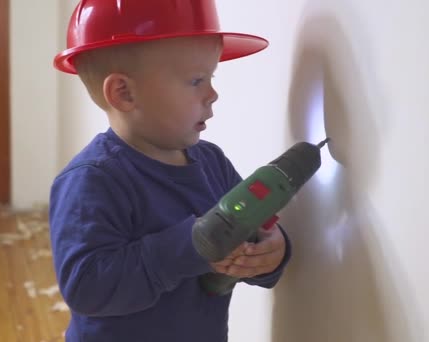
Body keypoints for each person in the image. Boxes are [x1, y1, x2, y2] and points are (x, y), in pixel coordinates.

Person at [49, 1, 292, 341]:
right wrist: (192, 246)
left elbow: (247, 234)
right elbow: (87, 287)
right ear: (124, 92)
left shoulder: (212, 163)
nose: (213, 94)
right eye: (196, 81)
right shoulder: (92, 180)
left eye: (211, 77)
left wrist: (271, 254)